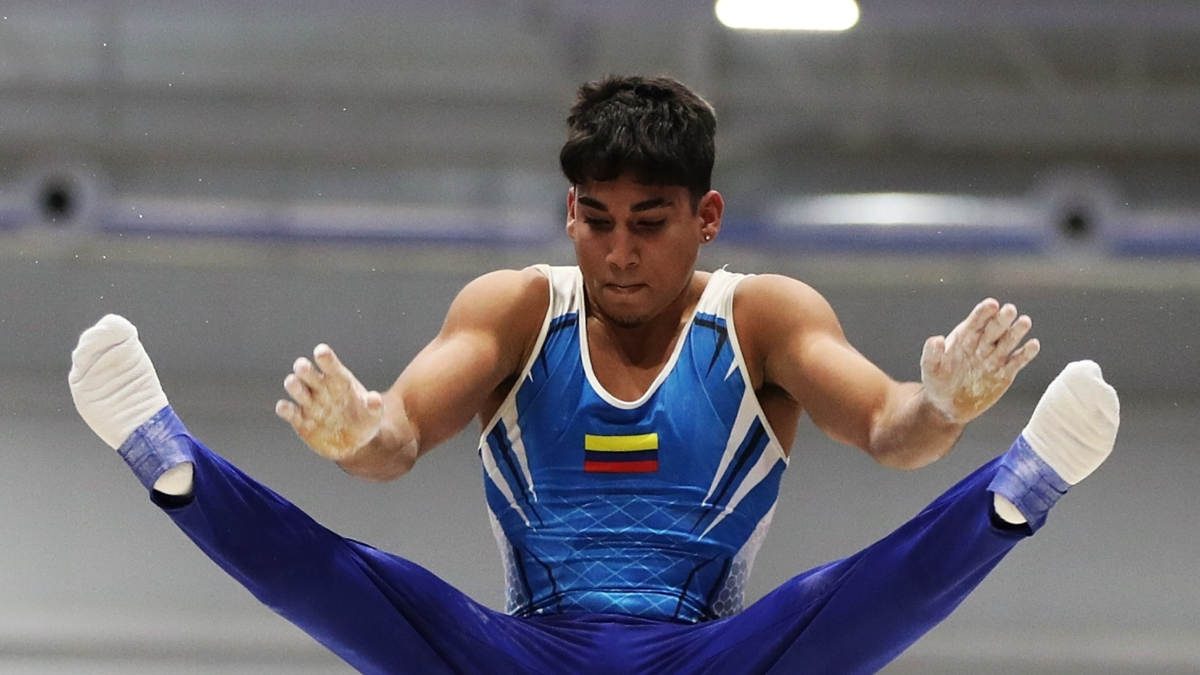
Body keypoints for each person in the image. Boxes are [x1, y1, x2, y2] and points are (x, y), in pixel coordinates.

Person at [68, 75, 1120, 675]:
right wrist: (357, 432)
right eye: (595, 222)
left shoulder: (760, 316)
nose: (617, 256)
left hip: (708, 660)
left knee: (836, 601)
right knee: (362, 583)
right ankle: (171, 459)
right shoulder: (517, 308)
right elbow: (396, 441)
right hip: (525, 657)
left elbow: (891, 430)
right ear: (569, 213)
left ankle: (1017, 489)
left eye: (649, 227)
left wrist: (941, 404)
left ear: (704, 219)